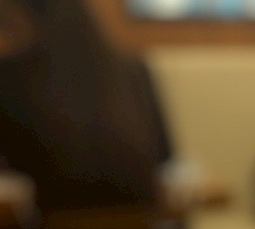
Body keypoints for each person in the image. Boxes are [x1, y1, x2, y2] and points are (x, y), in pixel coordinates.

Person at [0, 0, 172, 211]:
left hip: (44, 228)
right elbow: (165, 160)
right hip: (142, 227)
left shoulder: (14, 78)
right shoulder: (132, 72)